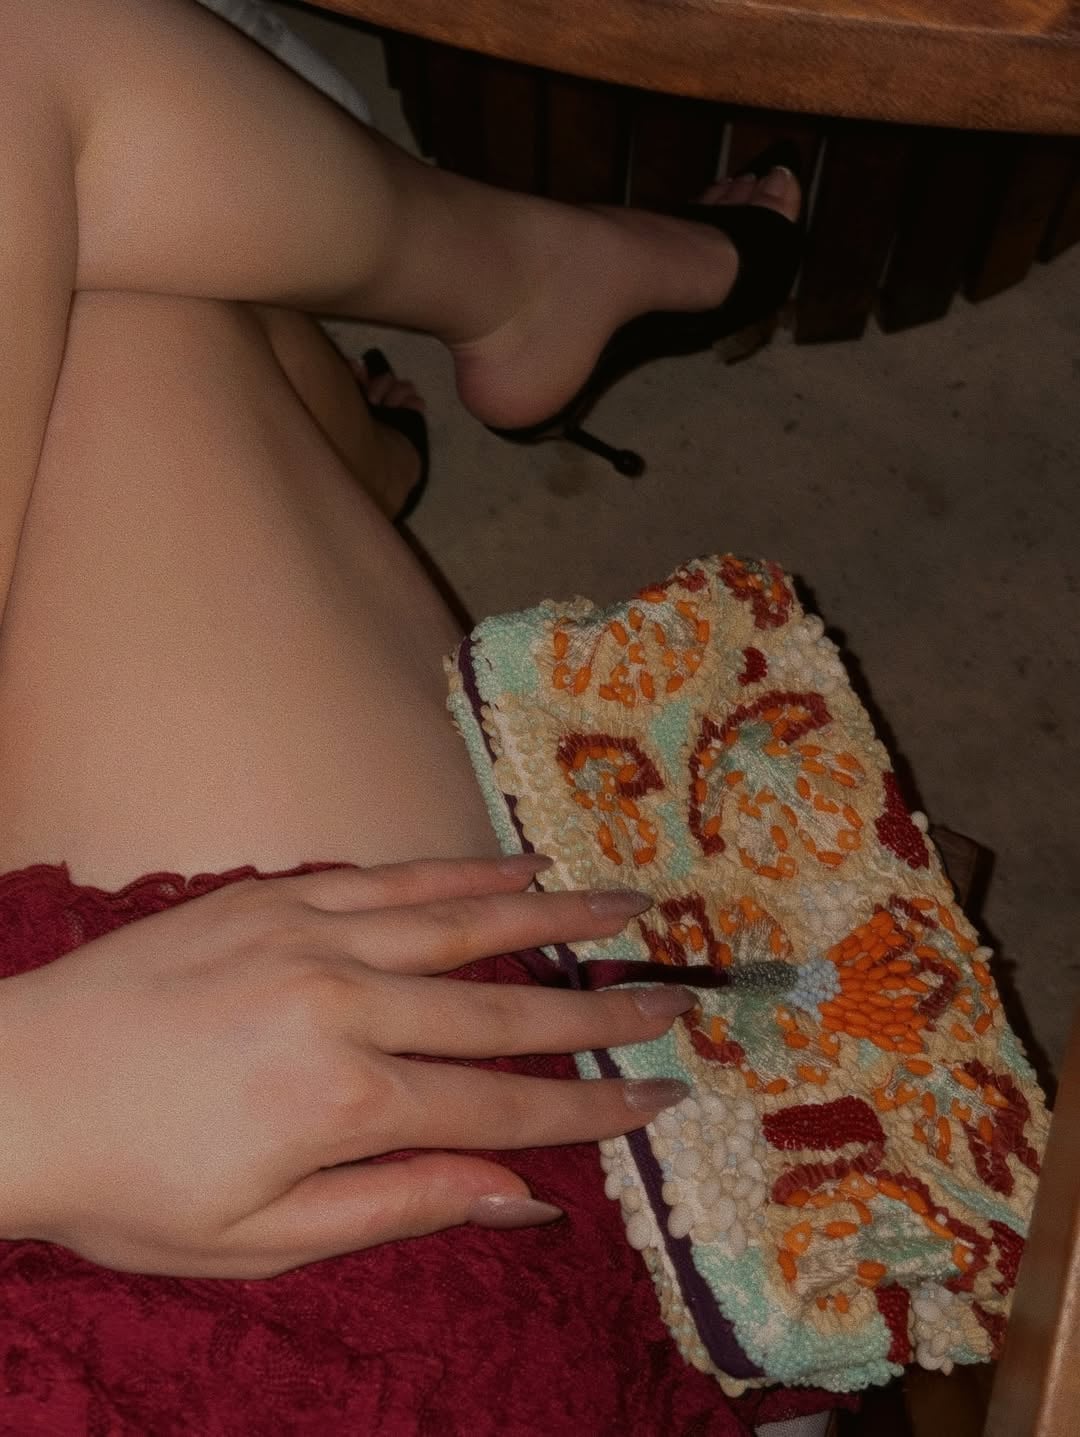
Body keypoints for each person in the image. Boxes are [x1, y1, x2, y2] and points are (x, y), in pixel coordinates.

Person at [0, 1, 824, 1431]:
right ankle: (508, 301)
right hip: (262, 1340)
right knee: (94, 222)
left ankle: (412, 382)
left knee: (88, 185)